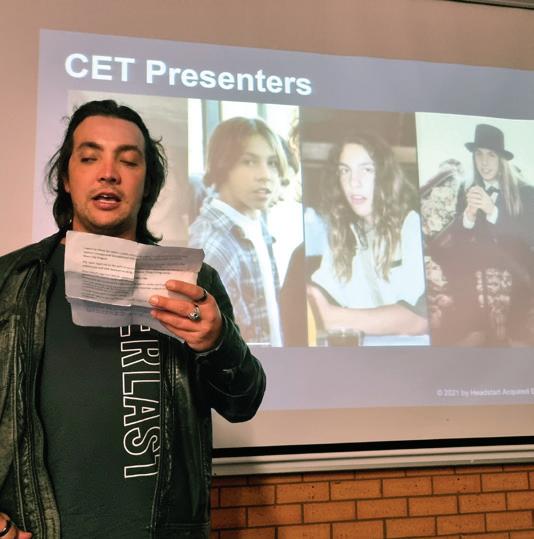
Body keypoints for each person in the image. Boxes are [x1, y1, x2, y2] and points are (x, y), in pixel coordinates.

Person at [0, 100, 265, 538]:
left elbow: (243, 403)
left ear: (148, 183)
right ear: (66, 177)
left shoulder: (192, 282)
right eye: (90, 158)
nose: (109, 173)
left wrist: (218, 342)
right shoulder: (10, 282)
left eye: (128, 160)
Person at [306, 131, 428, 340]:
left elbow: (419, 319)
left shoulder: (414, 225)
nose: (353, 182)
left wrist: (333, 318)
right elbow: (322, 292)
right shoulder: (344, 233)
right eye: (345, 170)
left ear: (385, 175)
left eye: (367, 169)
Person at [188, 117, 288, 346]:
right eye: (249, 162)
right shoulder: (212, 244)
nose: (265, 175)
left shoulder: (255, 224)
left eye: (272, 163)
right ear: (223, 165)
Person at [432, 123, 534, 345]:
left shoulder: (525, 191)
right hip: (484, 251)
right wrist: (468, 215)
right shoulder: (467, 188)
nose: (484, 162)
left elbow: (528, 235)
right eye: (479, 154)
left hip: (514, 253)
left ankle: (515, 332)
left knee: (528, 264)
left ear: (501, 160)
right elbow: (458, 238)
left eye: (491, 155)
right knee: (450, 254)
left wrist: (492, 211)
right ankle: (475, 327)